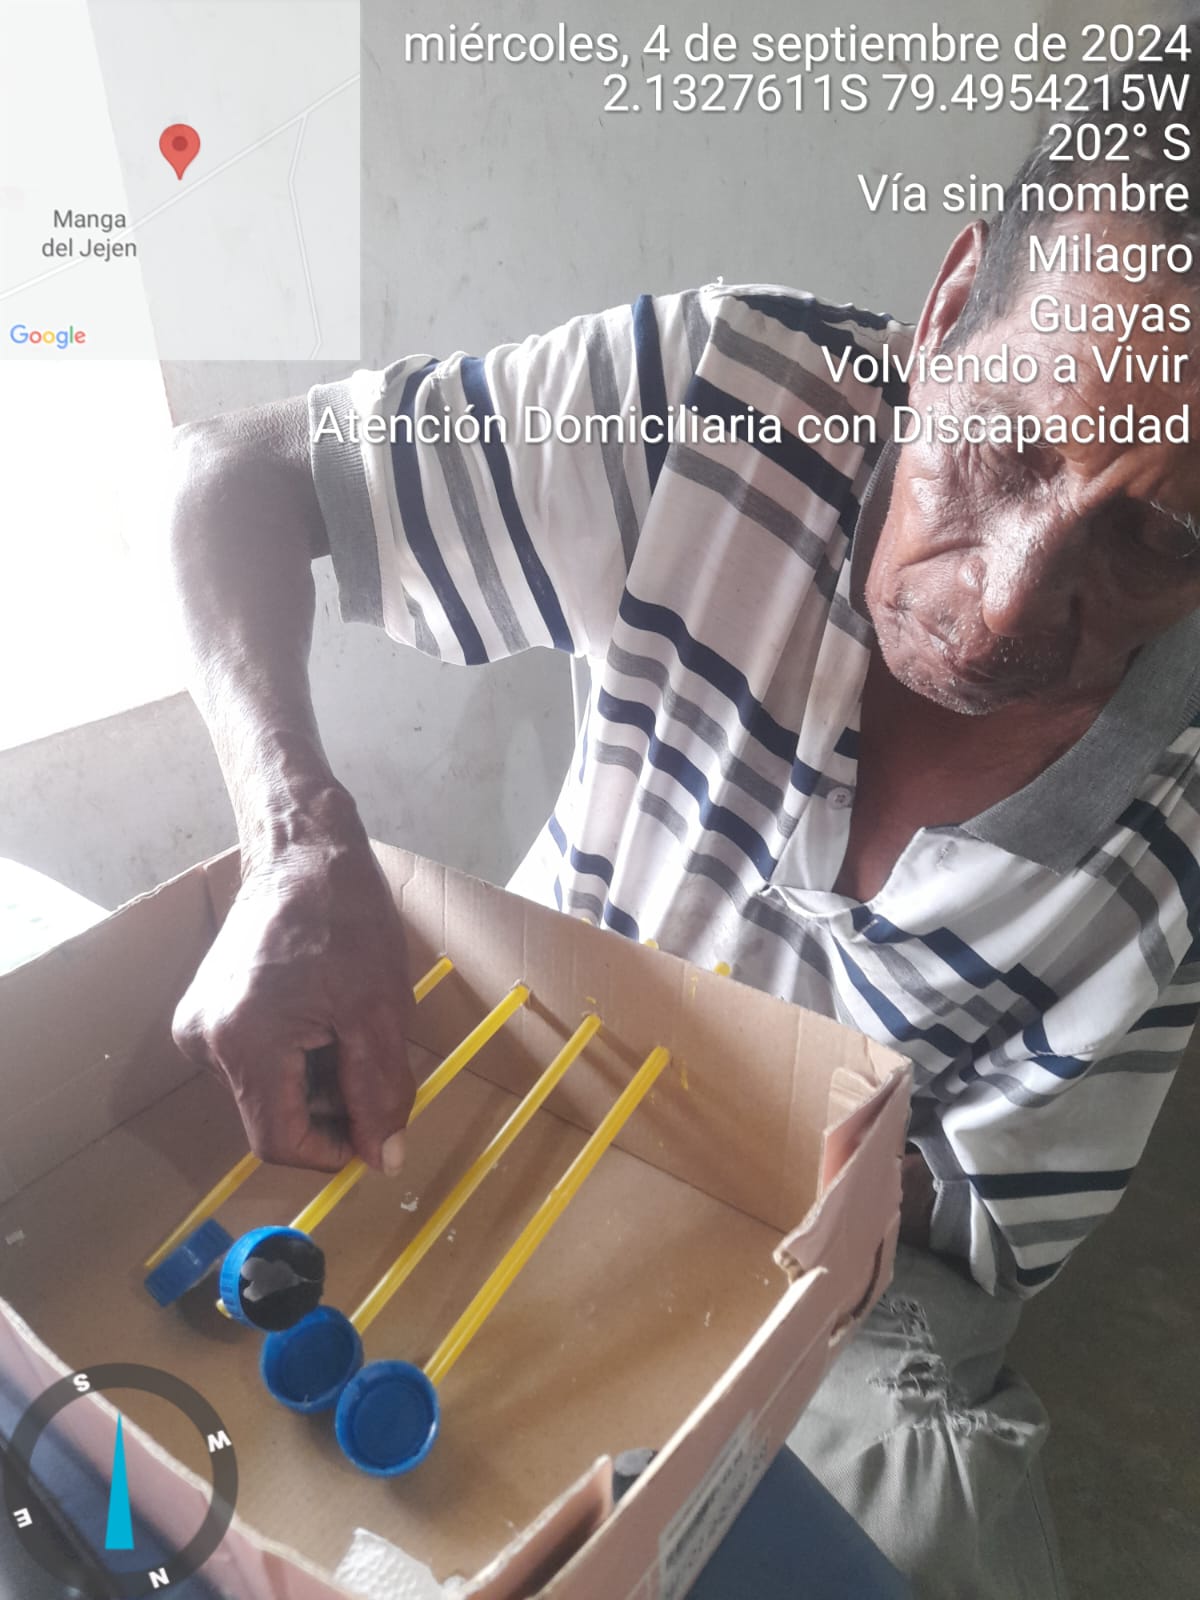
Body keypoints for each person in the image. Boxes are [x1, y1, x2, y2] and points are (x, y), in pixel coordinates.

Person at [167, 49, 1200, 1599]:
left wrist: (773, 1159)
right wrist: (297, 833)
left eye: (1156, 541)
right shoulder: (716, 398)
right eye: (1003, 442)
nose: (1002, 611)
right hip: (532, 1063)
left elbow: (988, 1212)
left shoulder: (1177, 808)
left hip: (844, 1250)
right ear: (944, 310)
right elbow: (227, 487)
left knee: (910, 1527)